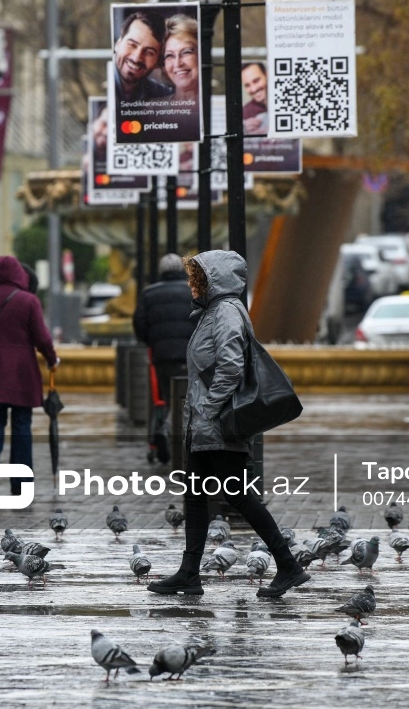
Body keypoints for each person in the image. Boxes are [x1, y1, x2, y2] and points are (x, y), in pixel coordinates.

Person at [147, 250, 310, 599]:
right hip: (206, 426)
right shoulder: (212, 313)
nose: (191, 284)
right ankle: (190, 573)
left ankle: (288, 565)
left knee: (237, 495)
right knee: (195, 496)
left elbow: (231, 366)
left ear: (213, 280)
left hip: (218, 425)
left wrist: (206, 408)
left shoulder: (225, 312)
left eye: (197, 279)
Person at [0, 256, 58, 492]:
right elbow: (42, 338)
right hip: (22, 370)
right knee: (21, 424)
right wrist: (52, 359)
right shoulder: (29, 301)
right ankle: (20, 483)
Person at [132, 253, 196, 465]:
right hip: (190, 355)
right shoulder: (192, 291)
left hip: (161, 357)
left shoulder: (149, 293)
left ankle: (162, 432)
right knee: (188, 400)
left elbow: (139, 324)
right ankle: (170, 432)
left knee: (167, 398)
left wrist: (153, 342)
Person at [112, 11, 174, 104]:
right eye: (132, 45)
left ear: (158, 61)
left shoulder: (162, 95)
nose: (136, 58)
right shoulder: (99, 84)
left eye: (149, 52)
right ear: (118, 44)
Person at [161, 13, 201, 138]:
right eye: (169, 55)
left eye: (186, 52)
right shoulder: (150, 110)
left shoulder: (218, 108)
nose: (178, 63)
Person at [241, 61, 268, 135]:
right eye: (247, 85)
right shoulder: (245, 113)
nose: (253, 89)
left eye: (256, 81)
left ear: (266, 75)